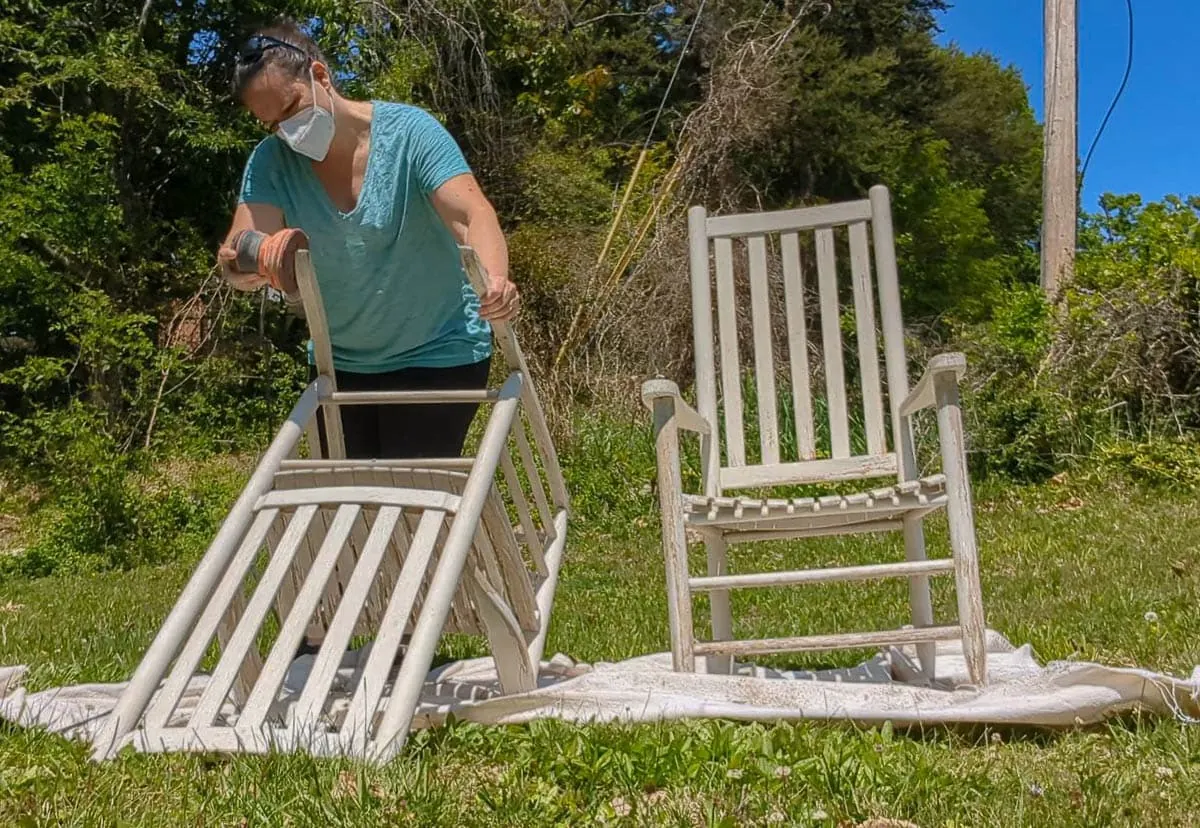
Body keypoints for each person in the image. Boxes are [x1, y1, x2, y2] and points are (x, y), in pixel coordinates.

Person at [218, 19, 519, 460]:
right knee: (347, 507)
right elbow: (236, 250)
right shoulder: (272, 162)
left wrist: (495, 281)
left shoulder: (411, 133)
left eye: (290, 110)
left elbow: (472, 215)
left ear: (320, 76)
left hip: (437, 351)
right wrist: (254, 258)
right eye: (271, 124)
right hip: (339, 362)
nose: (286, 131)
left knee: (408, 502)